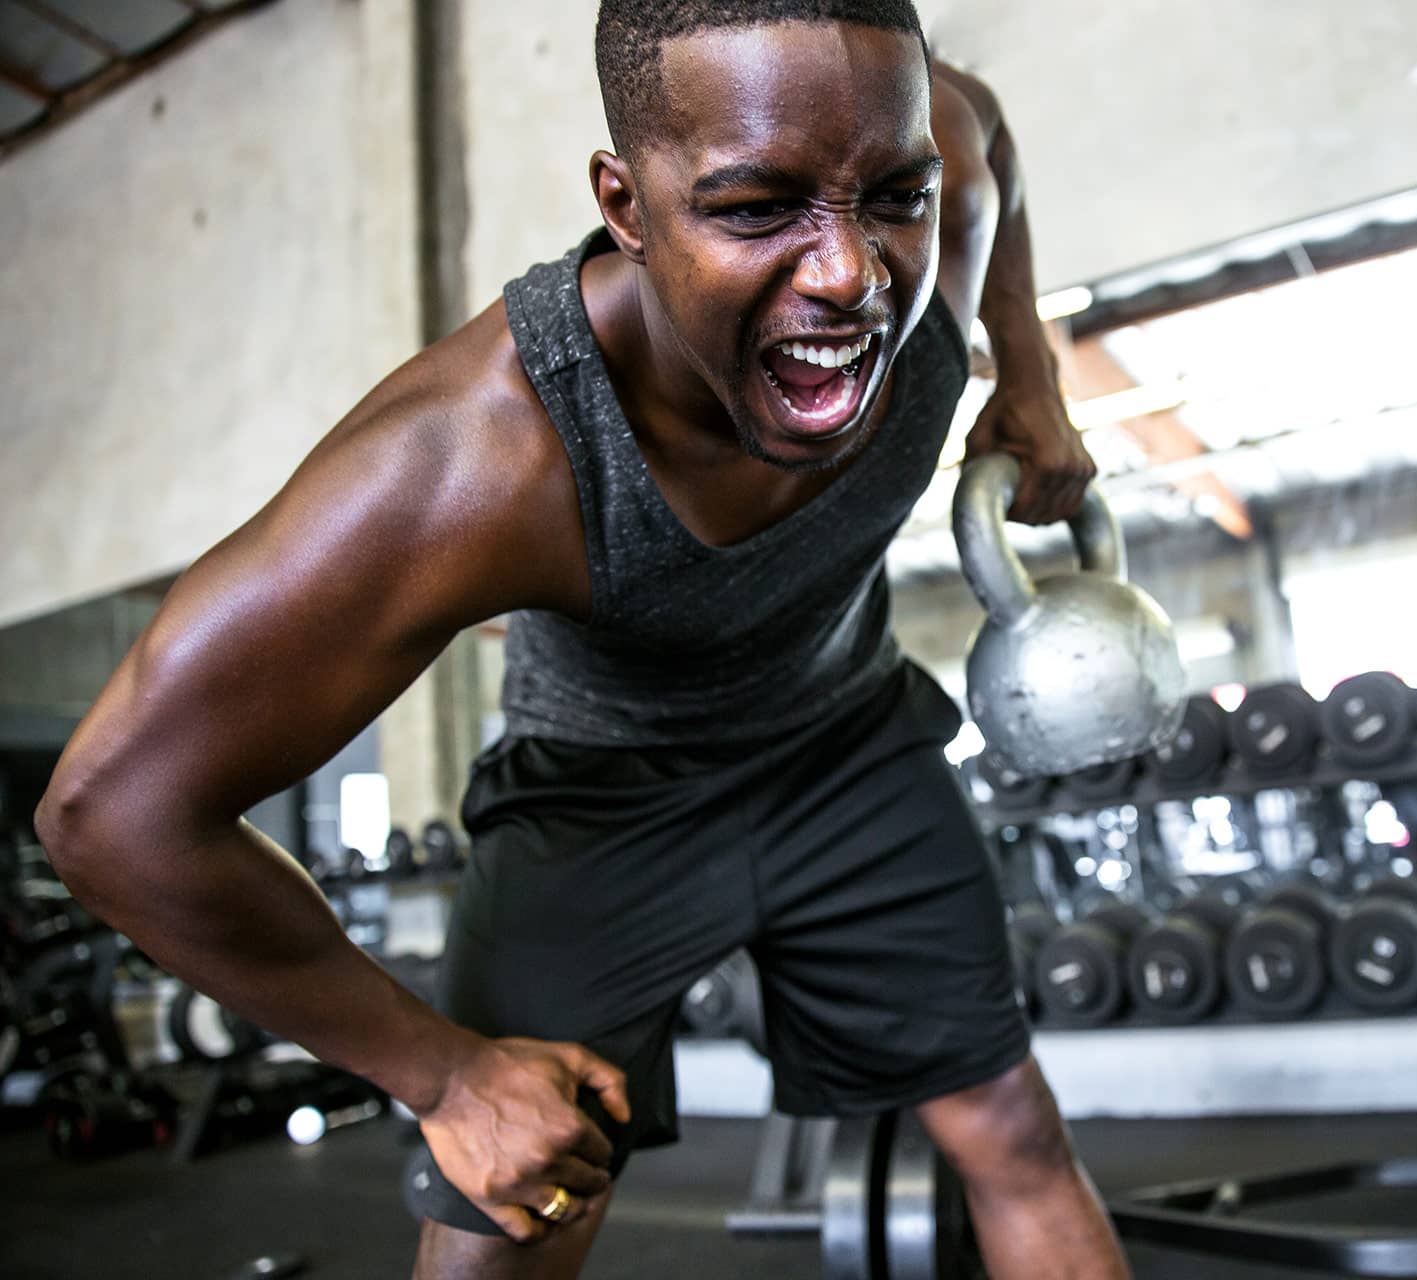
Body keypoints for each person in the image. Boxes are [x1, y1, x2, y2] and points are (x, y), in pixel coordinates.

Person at [34, 3, 1131, 1277]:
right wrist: (442, 1076)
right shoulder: (480, 461)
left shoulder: (934, 223)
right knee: (512, 1210)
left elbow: (977, 120)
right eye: (755, 208)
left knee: (1012, 1128)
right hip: (601, 798)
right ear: (624, 202)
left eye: (893, 193)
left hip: (846, 737)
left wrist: (1032, 375)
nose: (849, 274)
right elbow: (110, 811)